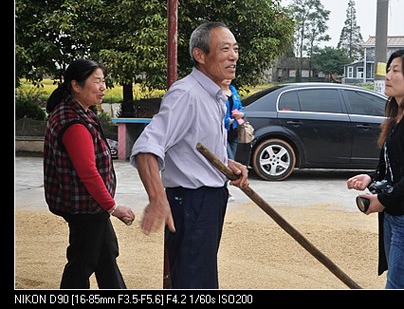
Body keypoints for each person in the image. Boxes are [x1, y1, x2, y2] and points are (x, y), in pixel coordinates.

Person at [130, 21, 250, 289]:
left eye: (235, 49)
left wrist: (228, 166)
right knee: (194, 283)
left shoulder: (215, 95)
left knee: (200, 280)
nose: (233, 56)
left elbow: (192, 148)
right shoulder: (186, 94)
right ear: (200, 55)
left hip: (209, 200)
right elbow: (147, 147)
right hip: (192, 203)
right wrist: (157, 198)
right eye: (225, 49)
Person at [347, 49, 404, 289]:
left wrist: (384, 199)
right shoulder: (399, 114)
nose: (388, 76)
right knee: (397, 282)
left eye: (395, 71)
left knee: (398, 285)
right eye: (388, 70)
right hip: (393, 212)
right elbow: (395, 167)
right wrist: (371, 177)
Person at [43, 59, 135, 289]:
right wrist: (113, 207)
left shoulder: (80, 113)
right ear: (76, 85)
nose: (103, 87)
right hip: (85, 208)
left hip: (90, 207)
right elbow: (88, 173)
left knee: (105, 258)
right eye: (97, 81)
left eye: (104, 81)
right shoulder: (74, 122)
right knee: (80, 266)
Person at [221, 78, 245, 160]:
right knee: (229, 159)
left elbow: (240, 107)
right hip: (223, 131)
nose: (227, 79)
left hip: (234, 131)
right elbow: (213, 113)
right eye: (225, 77)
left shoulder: (233, 91)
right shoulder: (217, 93)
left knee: (232, 159)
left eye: (229, 77)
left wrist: (241, 114)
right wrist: (227, 121)